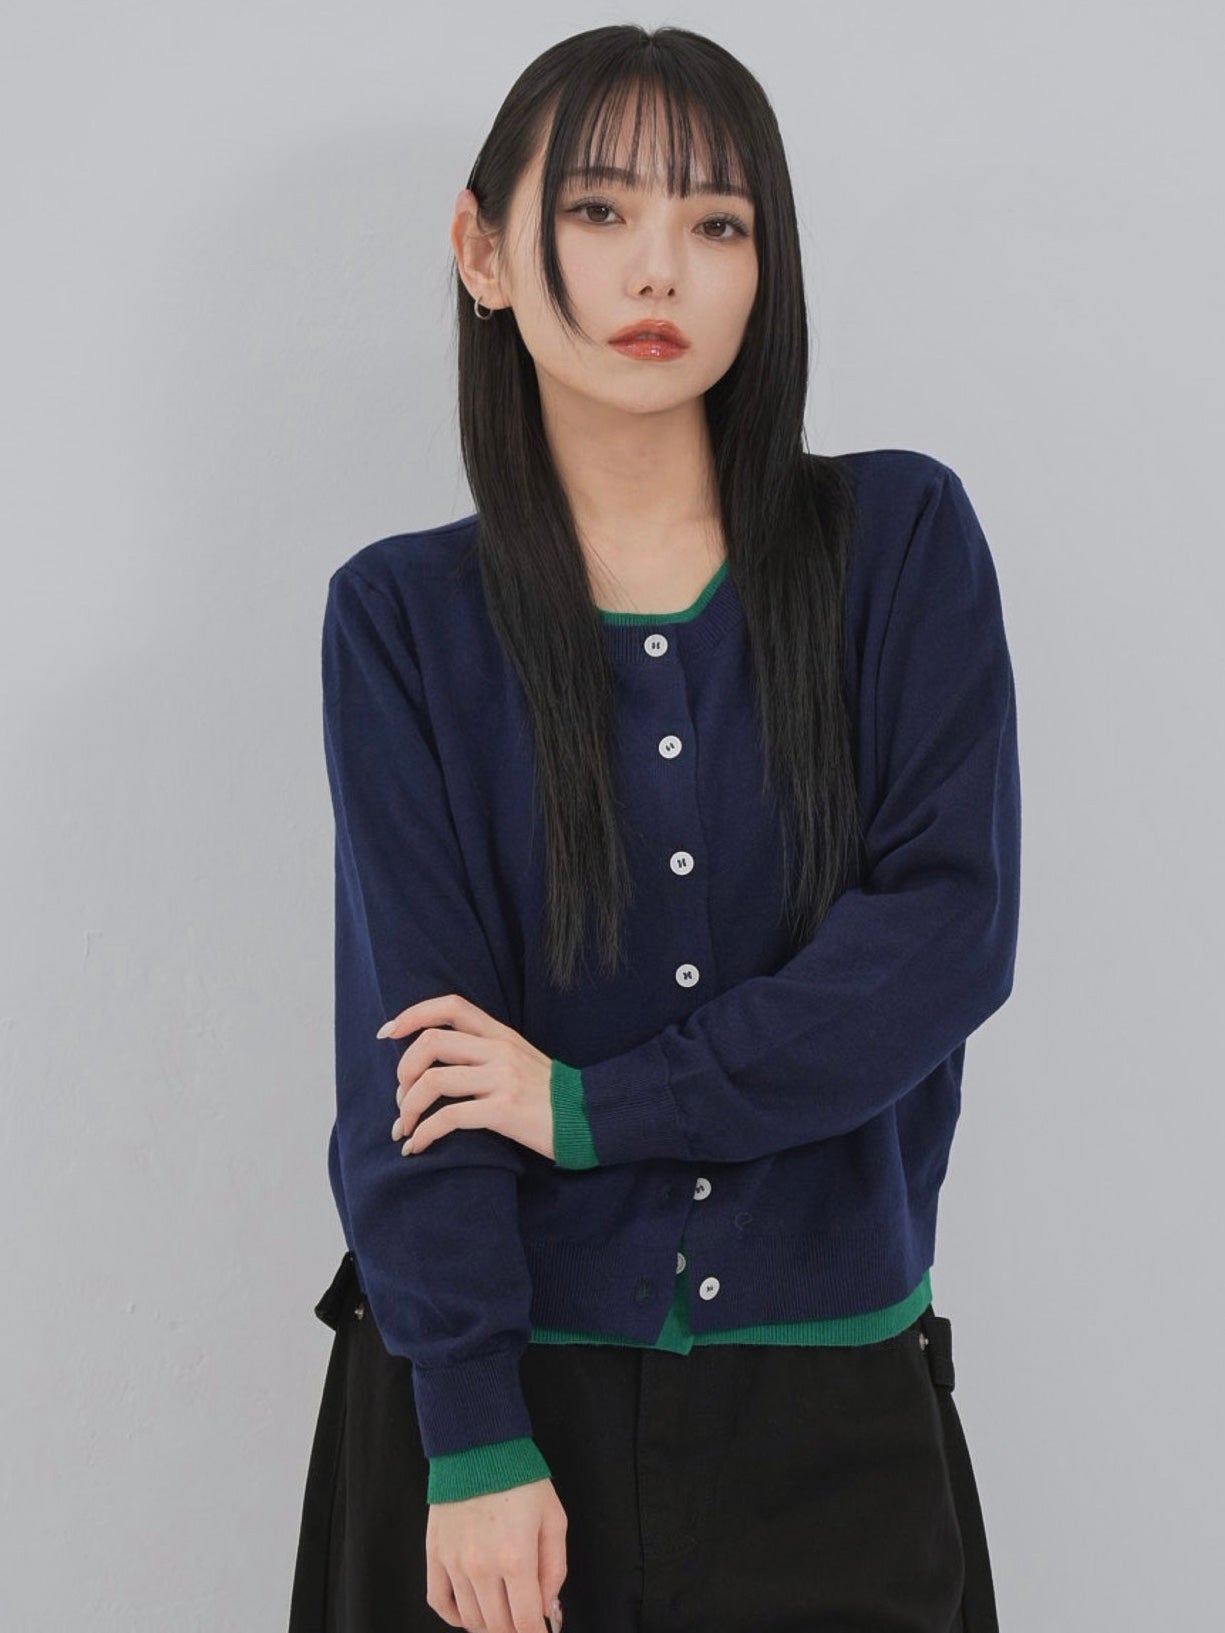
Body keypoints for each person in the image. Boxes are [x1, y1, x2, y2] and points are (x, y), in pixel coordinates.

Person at [288, 21, 1020, 1633]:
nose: (659, 269)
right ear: (483, 250)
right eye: (600, 208)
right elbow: (408, 1055)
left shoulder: (898, 544)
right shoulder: (403, 618)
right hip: (499, 1420)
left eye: (717, 221)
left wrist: (589, 1106)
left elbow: (944, 938)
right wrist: (473, 1431)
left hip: (826, 1408)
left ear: (768, 264)